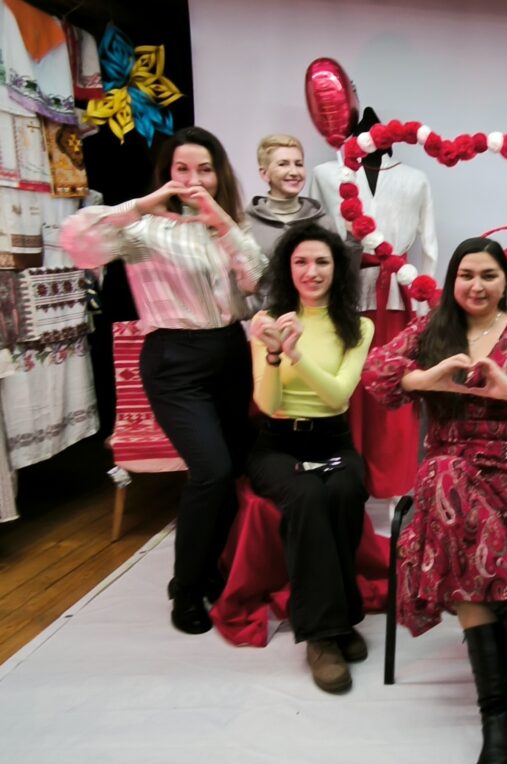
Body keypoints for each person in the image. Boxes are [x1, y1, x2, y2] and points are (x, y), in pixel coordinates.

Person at [362, 237, 507, 764]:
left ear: (505, 281)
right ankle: (506, 679)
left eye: (488, 275)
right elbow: (377, 372)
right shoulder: (431, 332)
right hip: (449, 470)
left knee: (449, 512)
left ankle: (504, 717)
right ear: (452, 280)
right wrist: (424, 378)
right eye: (466, 275)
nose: (476, 286)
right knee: (445, 479)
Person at [59, 126, 267, 634]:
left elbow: (257, 279)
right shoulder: (143, 229)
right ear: (166, 173)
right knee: (211, 470)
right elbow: (77, 242)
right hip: (173, 359)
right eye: (182, 169)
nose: (193, 180)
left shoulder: (228, 225)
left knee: (232, 469)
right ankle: (185, 589)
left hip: (229, 351)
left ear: (219, 174)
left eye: (204, 169)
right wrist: (142, 204)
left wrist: (221, 221)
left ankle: (211, 570)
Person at [246, 224, 373, 694]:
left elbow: (338, 396)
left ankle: (338, 619)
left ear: (337, 268)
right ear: (288, 268)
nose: (311, 271)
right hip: (278, 444)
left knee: (345, 488)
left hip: (333, 441)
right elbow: (267, 403)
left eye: (321, 261)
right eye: (301, 262)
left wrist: (295, 353)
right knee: (305, 494)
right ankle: (322, 636)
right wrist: (273, 355)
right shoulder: (268, 321)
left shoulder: (358, 326)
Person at [310, 107, 438, 503]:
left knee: (394, 389)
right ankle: (349, 482)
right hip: (344, 295)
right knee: (346, 391)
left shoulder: (415, 179)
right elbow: (314, 237)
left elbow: (429, 244)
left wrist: (425, 306)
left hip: (397, 294)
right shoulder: (326, 174)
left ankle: (398, 483)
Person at [245, 134, 336, 257]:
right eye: (283, 164)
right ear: (264, 174)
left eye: (299, 164)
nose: (294, 172)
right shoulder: (246, 224)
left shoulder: (324, 223)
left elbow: (341, 267)